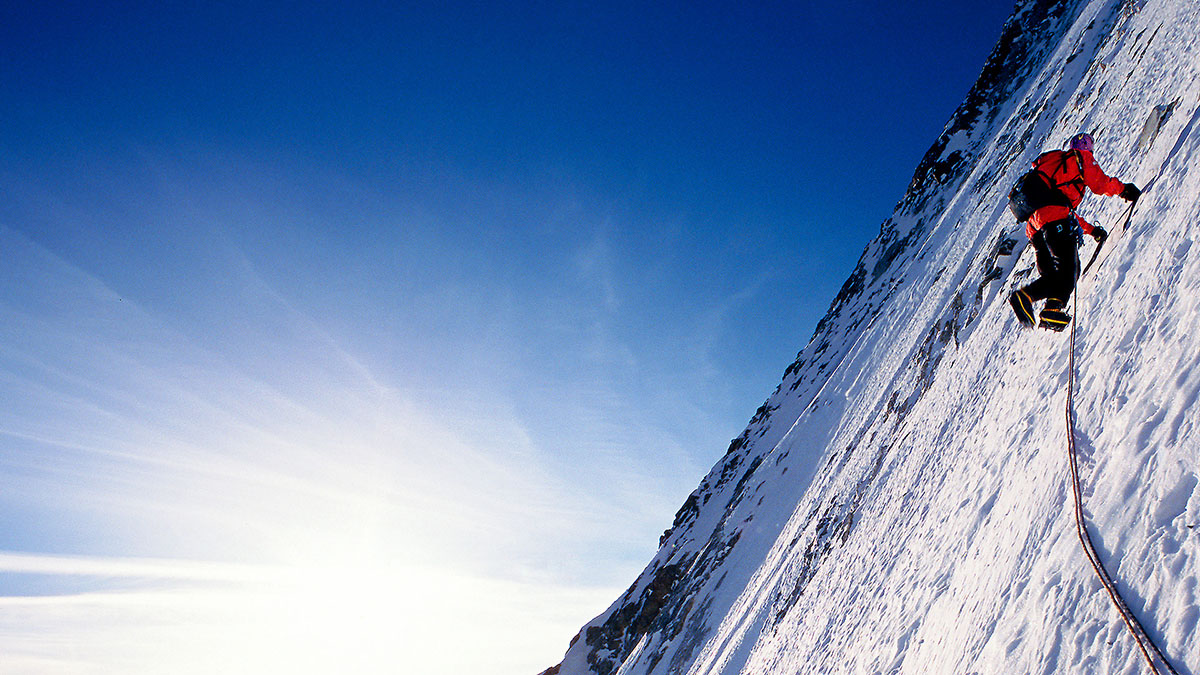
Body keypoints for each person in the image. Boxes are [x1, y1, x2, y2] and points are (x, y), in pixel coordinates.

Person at [1009, 132, 1140, 330]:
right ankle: (1049, 308)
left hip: (1036, 229)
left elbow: (1062, 211)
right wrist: (1124, 189)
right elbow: (1100, 184)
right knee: (1070, 270)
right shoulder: (1080, 160)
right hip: (1053, 220)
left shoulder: (1054, 166)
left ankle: (1036, 301)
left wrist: (1091, 230)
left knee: (1053, 277)